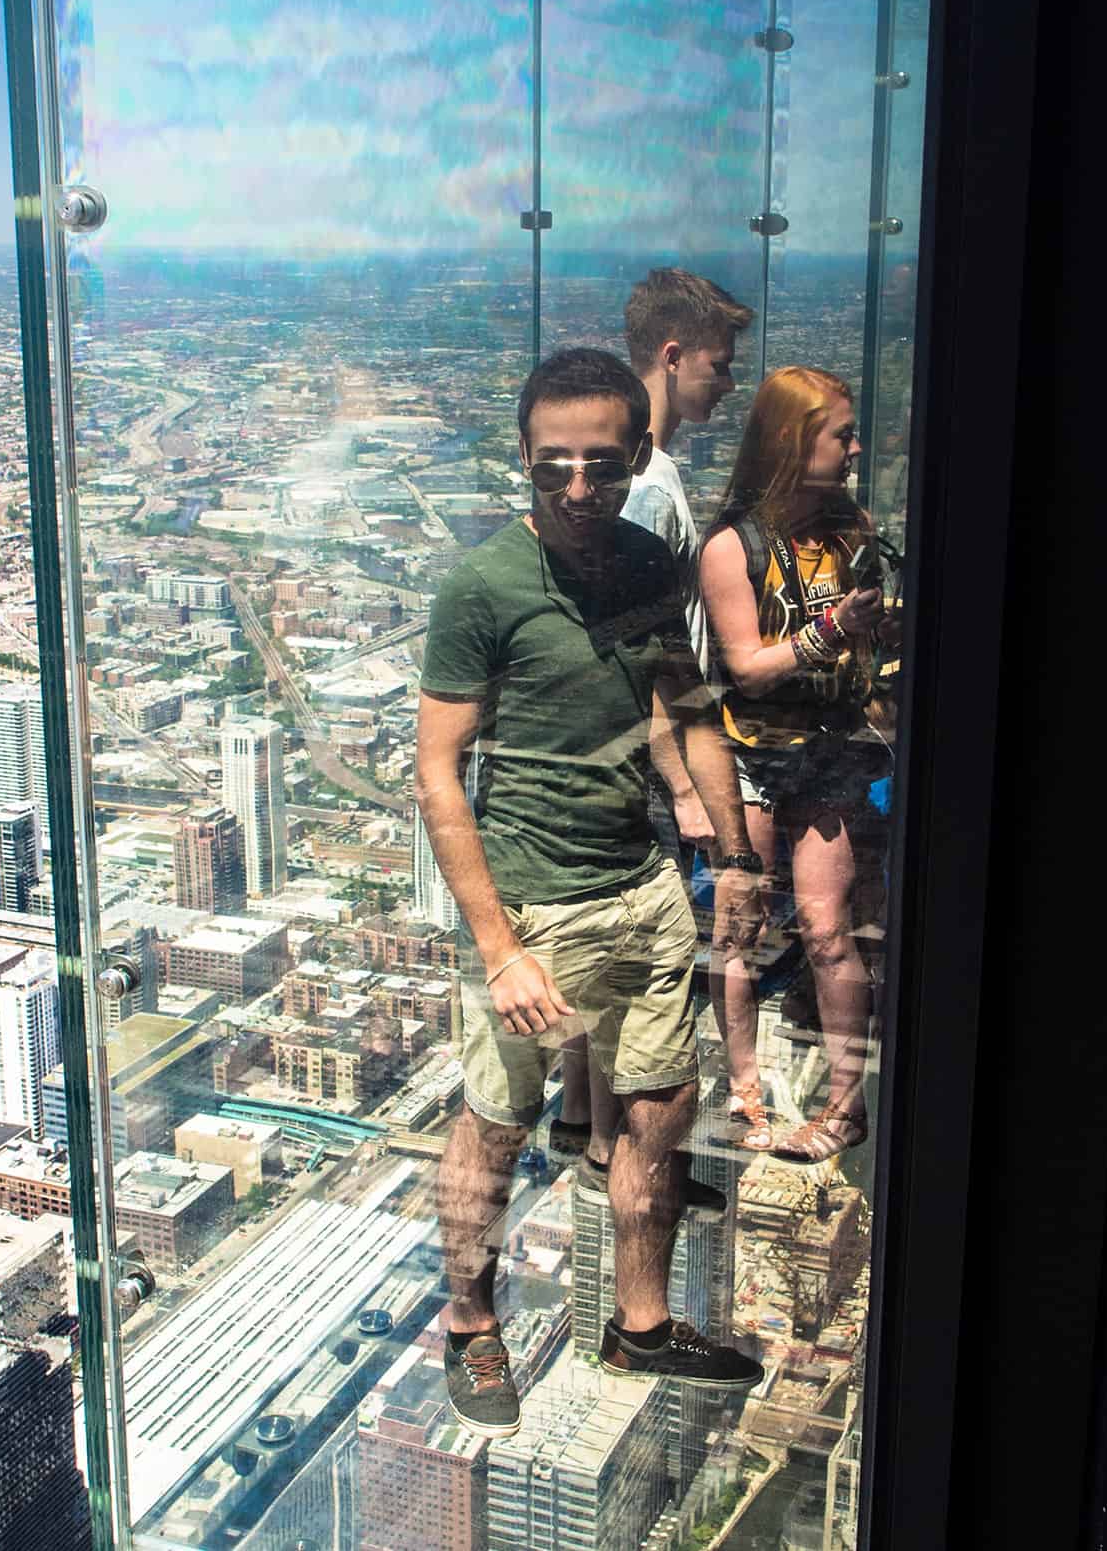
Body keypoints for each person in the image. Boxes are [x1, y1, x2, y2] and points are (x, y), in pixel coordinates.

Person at [420, 347, 765, 1438]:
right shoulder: (484, 589)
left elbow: (691, 705)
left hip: (643, 881)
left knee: (662, 1105)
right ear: (522, 460)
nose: (577, 491)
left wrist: (736, 859)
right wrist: (499, 948)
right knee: (494, 1123)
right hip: (532, 908)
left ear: (638, 457)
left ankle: (641, 1323)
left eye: (601, 467)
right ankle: (472, 1328)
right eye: (552, 468)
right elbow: (437, 769)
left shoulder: (652, 564)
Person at [552, 268, 756, 1162]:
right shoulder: (644, 485)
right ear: (672, 357)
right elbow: (638, 662)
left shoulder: (648, 477)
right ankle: (613, 1152)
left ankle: (586, 1131)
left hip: (630, 760)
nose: (729, 381)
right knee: (630, 974)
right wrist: (683, 784)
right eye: (719, 363)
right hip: (637, 765)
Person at [698, 366, 892, 1163]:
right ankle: (747, 1095)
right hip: (752, 748)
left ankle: (845, 1107)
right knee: (739, 929)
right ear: (792, 441)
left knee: (824, 927)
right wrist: (831, 631)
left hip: (832, 746)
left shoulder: (854, 530)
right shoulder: (733, 546)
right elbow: (745, 665)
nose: (853, 448)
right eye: (839, 434)